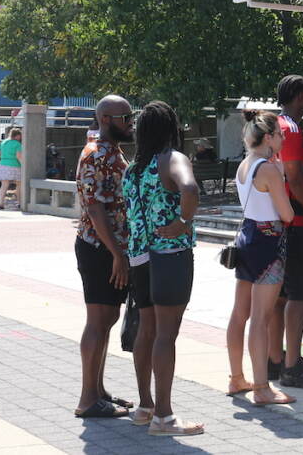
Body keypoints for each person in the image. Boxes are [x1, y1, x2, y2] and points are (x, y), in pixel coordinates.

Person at [124, 101, 203, 435]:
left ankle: (145, 406)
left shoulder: (133, 169)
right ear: (172, 127)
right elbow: (190, 188)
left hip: (139, 256)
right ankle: (165, 417)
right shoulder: (172, 159)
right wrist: (184, 221)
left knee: (147, 329)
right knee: (166, 335)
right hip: (169, 253)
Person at [226, 110, 297, 407]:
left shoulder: (246, 165)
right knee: (261, 317)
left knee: (240, 313)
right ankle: (262, 387)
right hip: (269, 244)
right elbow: (287, 214)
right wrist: (280, 176)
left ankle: (236, 377)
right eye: (279, 134)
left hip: (248, 238)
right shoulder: (268, 169)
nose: (282, 138)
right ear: (268, 137)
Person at [74, 95, 134, 419]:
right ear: (107, 119)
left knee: (108, 320)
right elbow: (94, 209)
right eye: (126, 117)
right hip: (99, 249)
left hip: (110, 250)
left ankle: (98, 391)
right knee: (97, 322)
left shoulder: (112, 152)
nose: (131, 122)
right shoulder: (95, 154)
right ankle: (87, 398)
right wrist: (117, 255)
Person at [268, 75, 303, 389]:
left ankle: (274, 360)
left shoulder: (274, 125)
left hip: (275, 222)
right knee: (299, 294)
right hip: (293, 224)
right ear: (301, 95)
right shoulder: (290, 128)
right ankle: (292, 365)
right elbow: (295, 178)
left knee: (279, 295)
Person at [0, 128, 23, 210]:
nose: (20, 138)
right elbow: (18, 156)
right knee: (19, 184)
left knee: (4, 185)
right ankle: (20, 202)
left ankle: (1, 203)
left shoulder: (3, 142)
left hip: (3, 164)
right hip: (15, 165)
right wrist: (23, 165)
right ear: (17, 135)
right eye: (20, 136)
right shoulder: (18, 144)